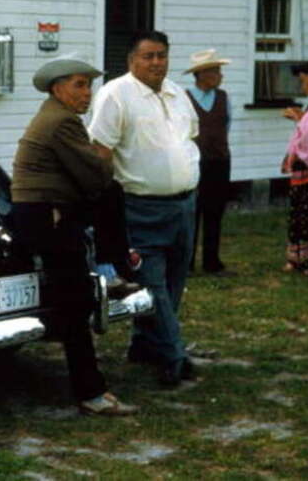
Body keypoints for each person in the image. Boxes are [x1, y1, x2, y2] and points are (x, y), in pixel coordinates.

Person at [11, 56, 138, 416]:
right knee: (75, 300)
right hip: (46, 215)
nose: (87, 93)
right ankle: (91, 393)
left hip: (47, 211)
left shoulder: (56, 115)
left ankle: (113, 267)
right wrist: (105, 157)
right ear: (57, 88)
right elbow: (96, 175)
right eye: (79, 85)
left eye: (89, 85)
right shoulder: (62, 122)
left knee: (74, 298)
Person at [89, 30, 200, 387]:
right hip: (141, 206)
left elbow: (189, 138)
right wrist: (108, 204)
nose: (156, 63)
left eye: (162, 55)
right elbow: (101, 151)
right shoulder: (115, 94)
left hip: (184, 204)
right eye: (148, 56)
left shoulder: (177, 93)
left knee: (175, 280)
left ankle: (145, 345)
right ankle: (173, 356)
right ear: (131, 60)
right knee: (152, 283)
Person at [184, 49, 234, 276]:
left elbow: (227, 125)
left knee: (215, 213)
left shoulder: (224, 98)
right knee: (191, 213)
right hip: (193, 163)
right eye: (216, 71)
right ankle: (187, 263)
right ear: (202, 74)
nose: (220, 76)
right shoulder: (185, 99)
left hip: (219, 163)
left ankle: (212, 263)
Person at [282, 62, 308, 276]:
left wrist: (299, 119)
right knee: (299, 214)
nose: (303, 87)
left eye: (305, 81)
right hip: (303, 171)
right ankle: (297, 258)